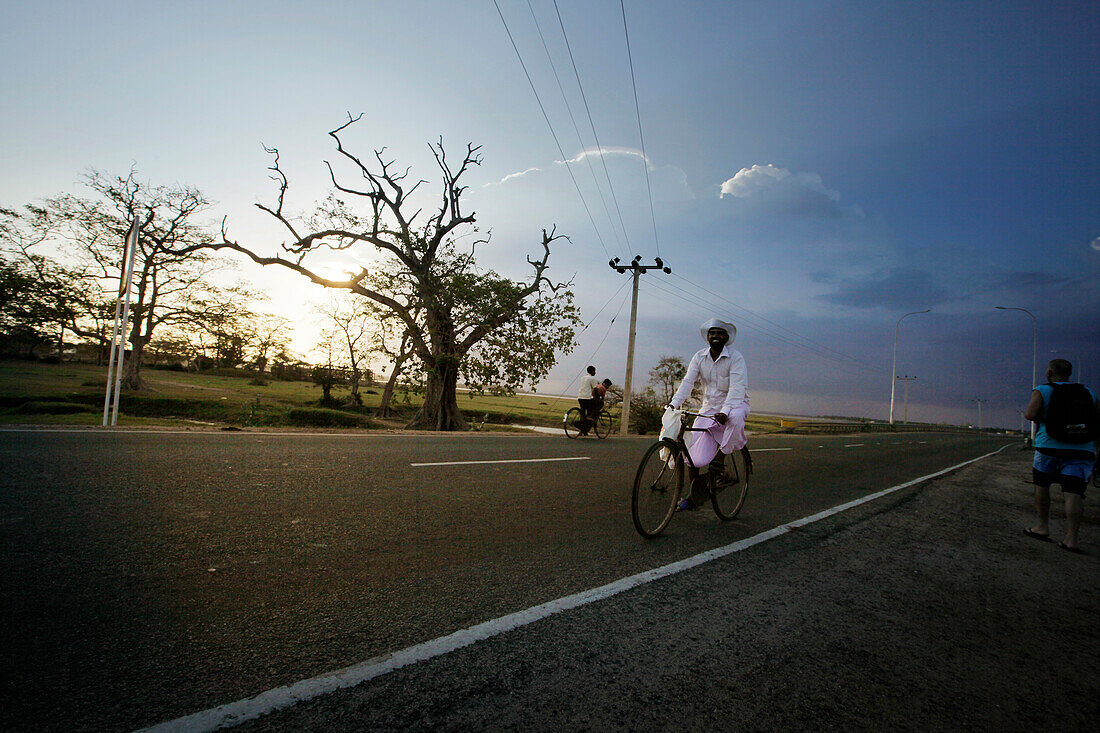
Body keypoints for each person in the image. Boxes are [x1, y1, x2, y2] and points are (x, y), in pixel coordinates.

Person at [668, 317, 750, 510]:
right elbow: (688, 382)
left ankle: (720, 459)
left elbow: (737, 388)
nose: (715, 336)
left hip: (735, 404)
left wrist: (725, 411)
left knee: (736, 419)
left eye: (720, 333)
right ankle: (694, 495)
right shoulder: (699, 357)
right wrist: (674, 404)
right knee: (692, 453)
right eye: (712, 333)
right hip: (709, 407)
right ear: (707, 337)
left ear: (726, 337)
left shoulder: (736, 358)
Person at [1022, 359, 1099, 553]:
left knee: (1042, 487)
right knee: (1074, 493)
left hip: (1049, 447)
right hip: (1081, 449)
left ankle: (1042, 526)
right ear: (1069, 373)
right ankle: (1071, 539)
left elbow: (1030, 414)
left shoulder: (1043, 390)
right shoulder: (1089, 393)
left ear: (1049, 372)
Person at [576, 365, 601, 435]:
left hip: (580, 397)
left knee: (583, 412)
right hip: (587, 398)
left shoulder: (582, 378)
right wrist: (598, 398)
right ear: (592, 371)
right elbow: (595, 389)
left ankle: (583, 430)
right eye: (594, 371)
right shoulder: (592, 378)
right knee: (590, 413)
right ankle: (586, 426)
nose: (595, 373)